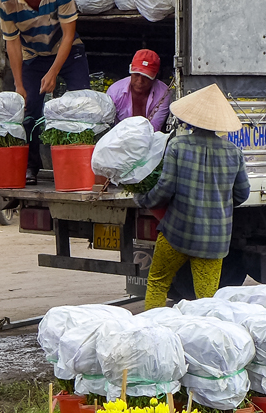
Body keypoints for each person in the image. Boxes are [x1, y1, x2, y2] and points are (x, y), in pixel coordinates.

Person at [136, 84, 250, 309]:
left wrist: (144, 199)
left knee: (158, 282)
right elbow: (242, 194)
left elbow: (165, 189)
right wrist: (220, 204)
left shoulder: (178, 146)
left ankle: (152, 326)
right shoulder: (234, 153)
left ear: (191, 120)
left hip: (177, 232)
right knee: (206, 299)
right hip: (214, 239)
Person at [0, 0, 91, 184]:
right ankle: (31, 166)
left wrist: (53, 72)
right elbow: (12, 44)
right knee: (29, 110)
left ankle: (83, 163)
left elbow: (68, 35)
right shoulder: (6, 0)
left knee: (82, 105)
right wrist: (19, 85)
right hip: (33, 56)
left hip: (67, 51)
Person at [107, 49, 171, 131]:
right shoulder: (114, 92)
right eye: (136, 74)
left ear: (156, 76)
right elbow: (107, 124)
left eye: (146, 76)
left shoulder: (164, 93)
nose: (140, 81)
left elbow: (155, 127)